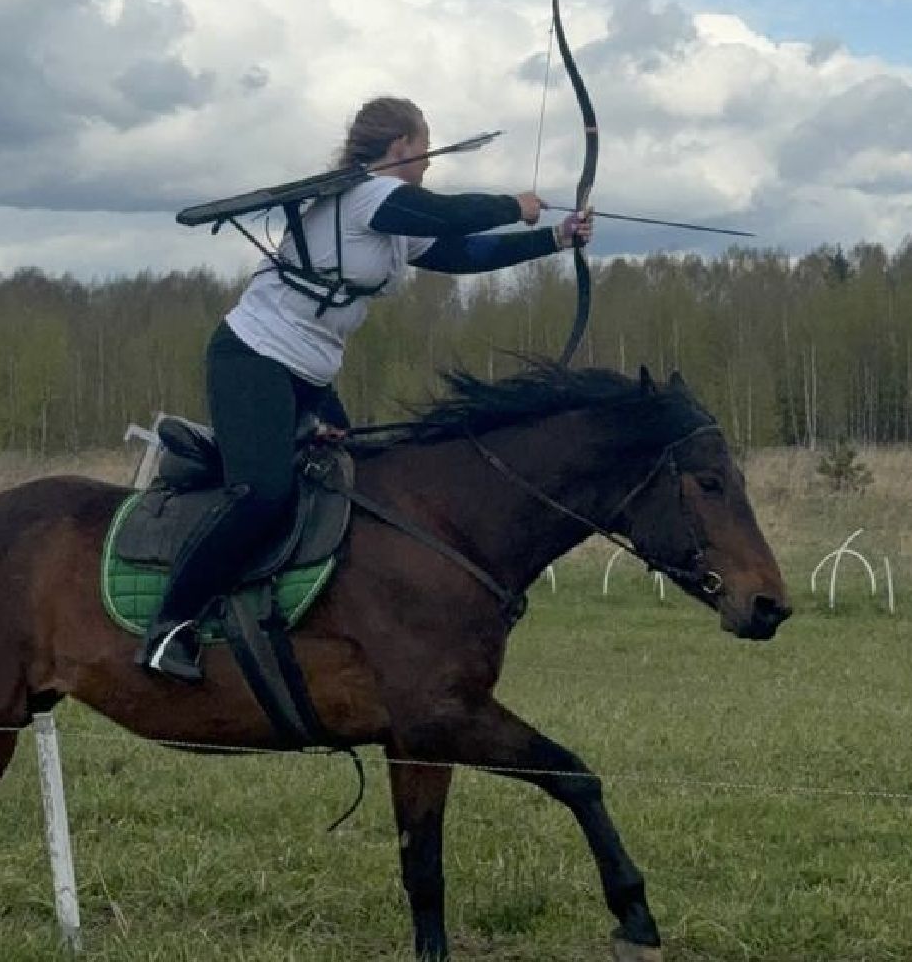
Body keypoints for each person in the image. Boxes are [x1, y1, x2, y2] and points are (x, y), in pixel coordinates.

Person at [137, 96, 593, 683]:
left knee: (353, 485)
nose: (428, 162)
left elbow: (462, 253)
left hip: (310, 374)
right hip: (254, 358)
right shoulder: (367, 197)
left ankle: (301, 614)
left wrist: (555, 239)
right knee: (263, 494)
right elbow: (444, 216)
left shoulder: (392, 218)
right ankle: (169, 626)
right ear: (401, 146)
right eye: (423, 150)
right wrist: (514, 205)